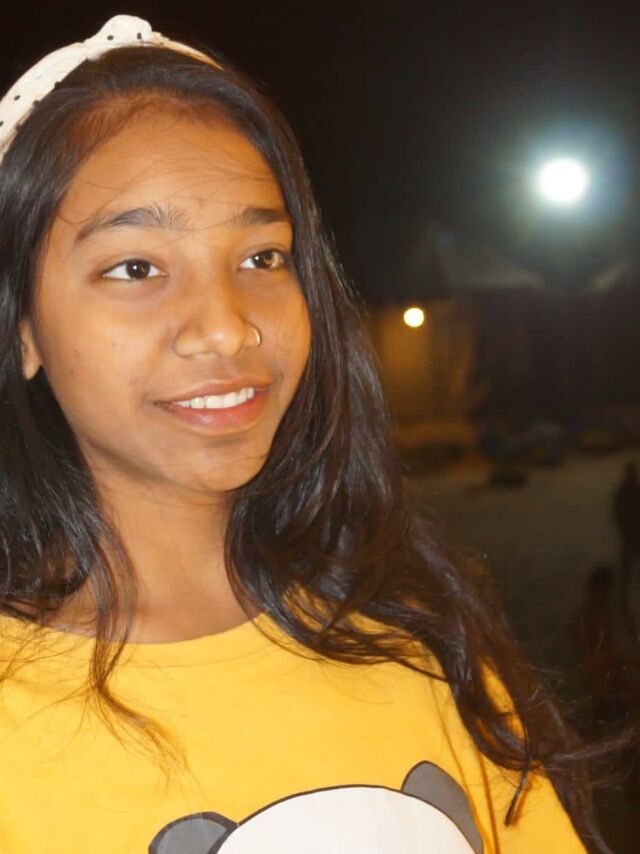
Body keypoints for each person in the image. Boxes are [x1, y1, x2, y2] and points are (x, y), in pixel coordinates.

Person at [0, 15, 608, 853]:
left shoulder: (417, 641)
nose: (227, 327)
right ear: (23, 327)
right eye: (135, 268)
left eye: (263, 258)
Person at [612, 460, 640, 631]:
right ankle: (623, 596)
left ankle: (623, 596)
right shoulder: (631, 490)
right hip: (632, 532)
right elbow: (617, 512)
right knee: (628, 565)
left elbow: (616, 512)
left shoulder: (625, 491)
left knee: (627, 566)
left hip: (630, 532)